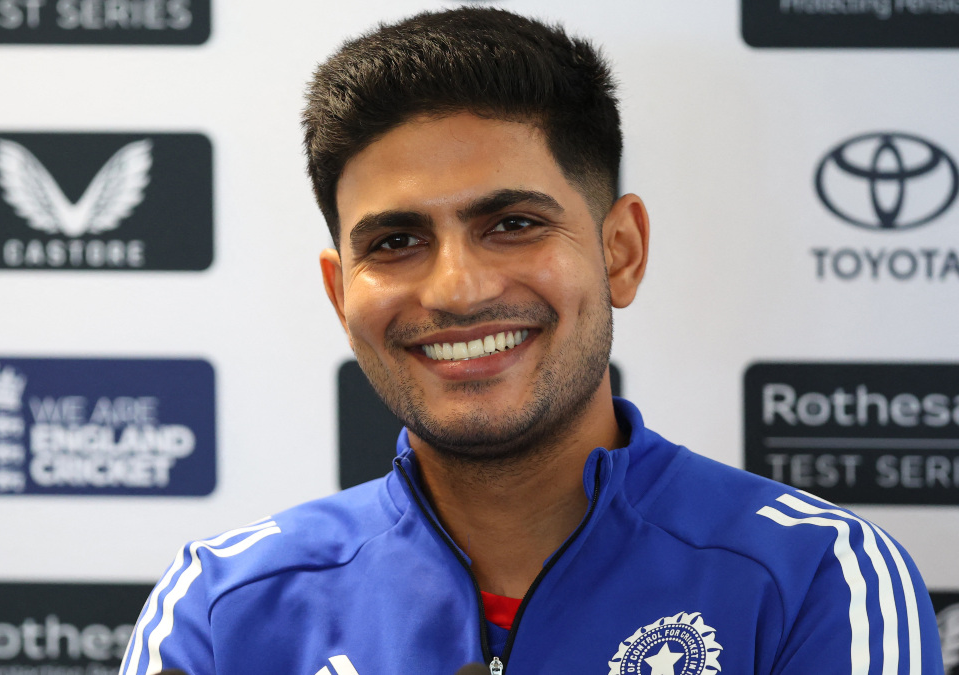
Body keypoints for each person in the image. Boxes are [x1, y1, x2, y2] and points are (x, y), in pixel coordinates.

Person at [118, 8, 943, 675]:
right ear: (342, 294)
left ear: (620, 251)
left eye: (512, 224)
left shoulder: (816, 577)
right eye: (396, 242)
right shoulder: (221, 608)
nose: (457, 290)